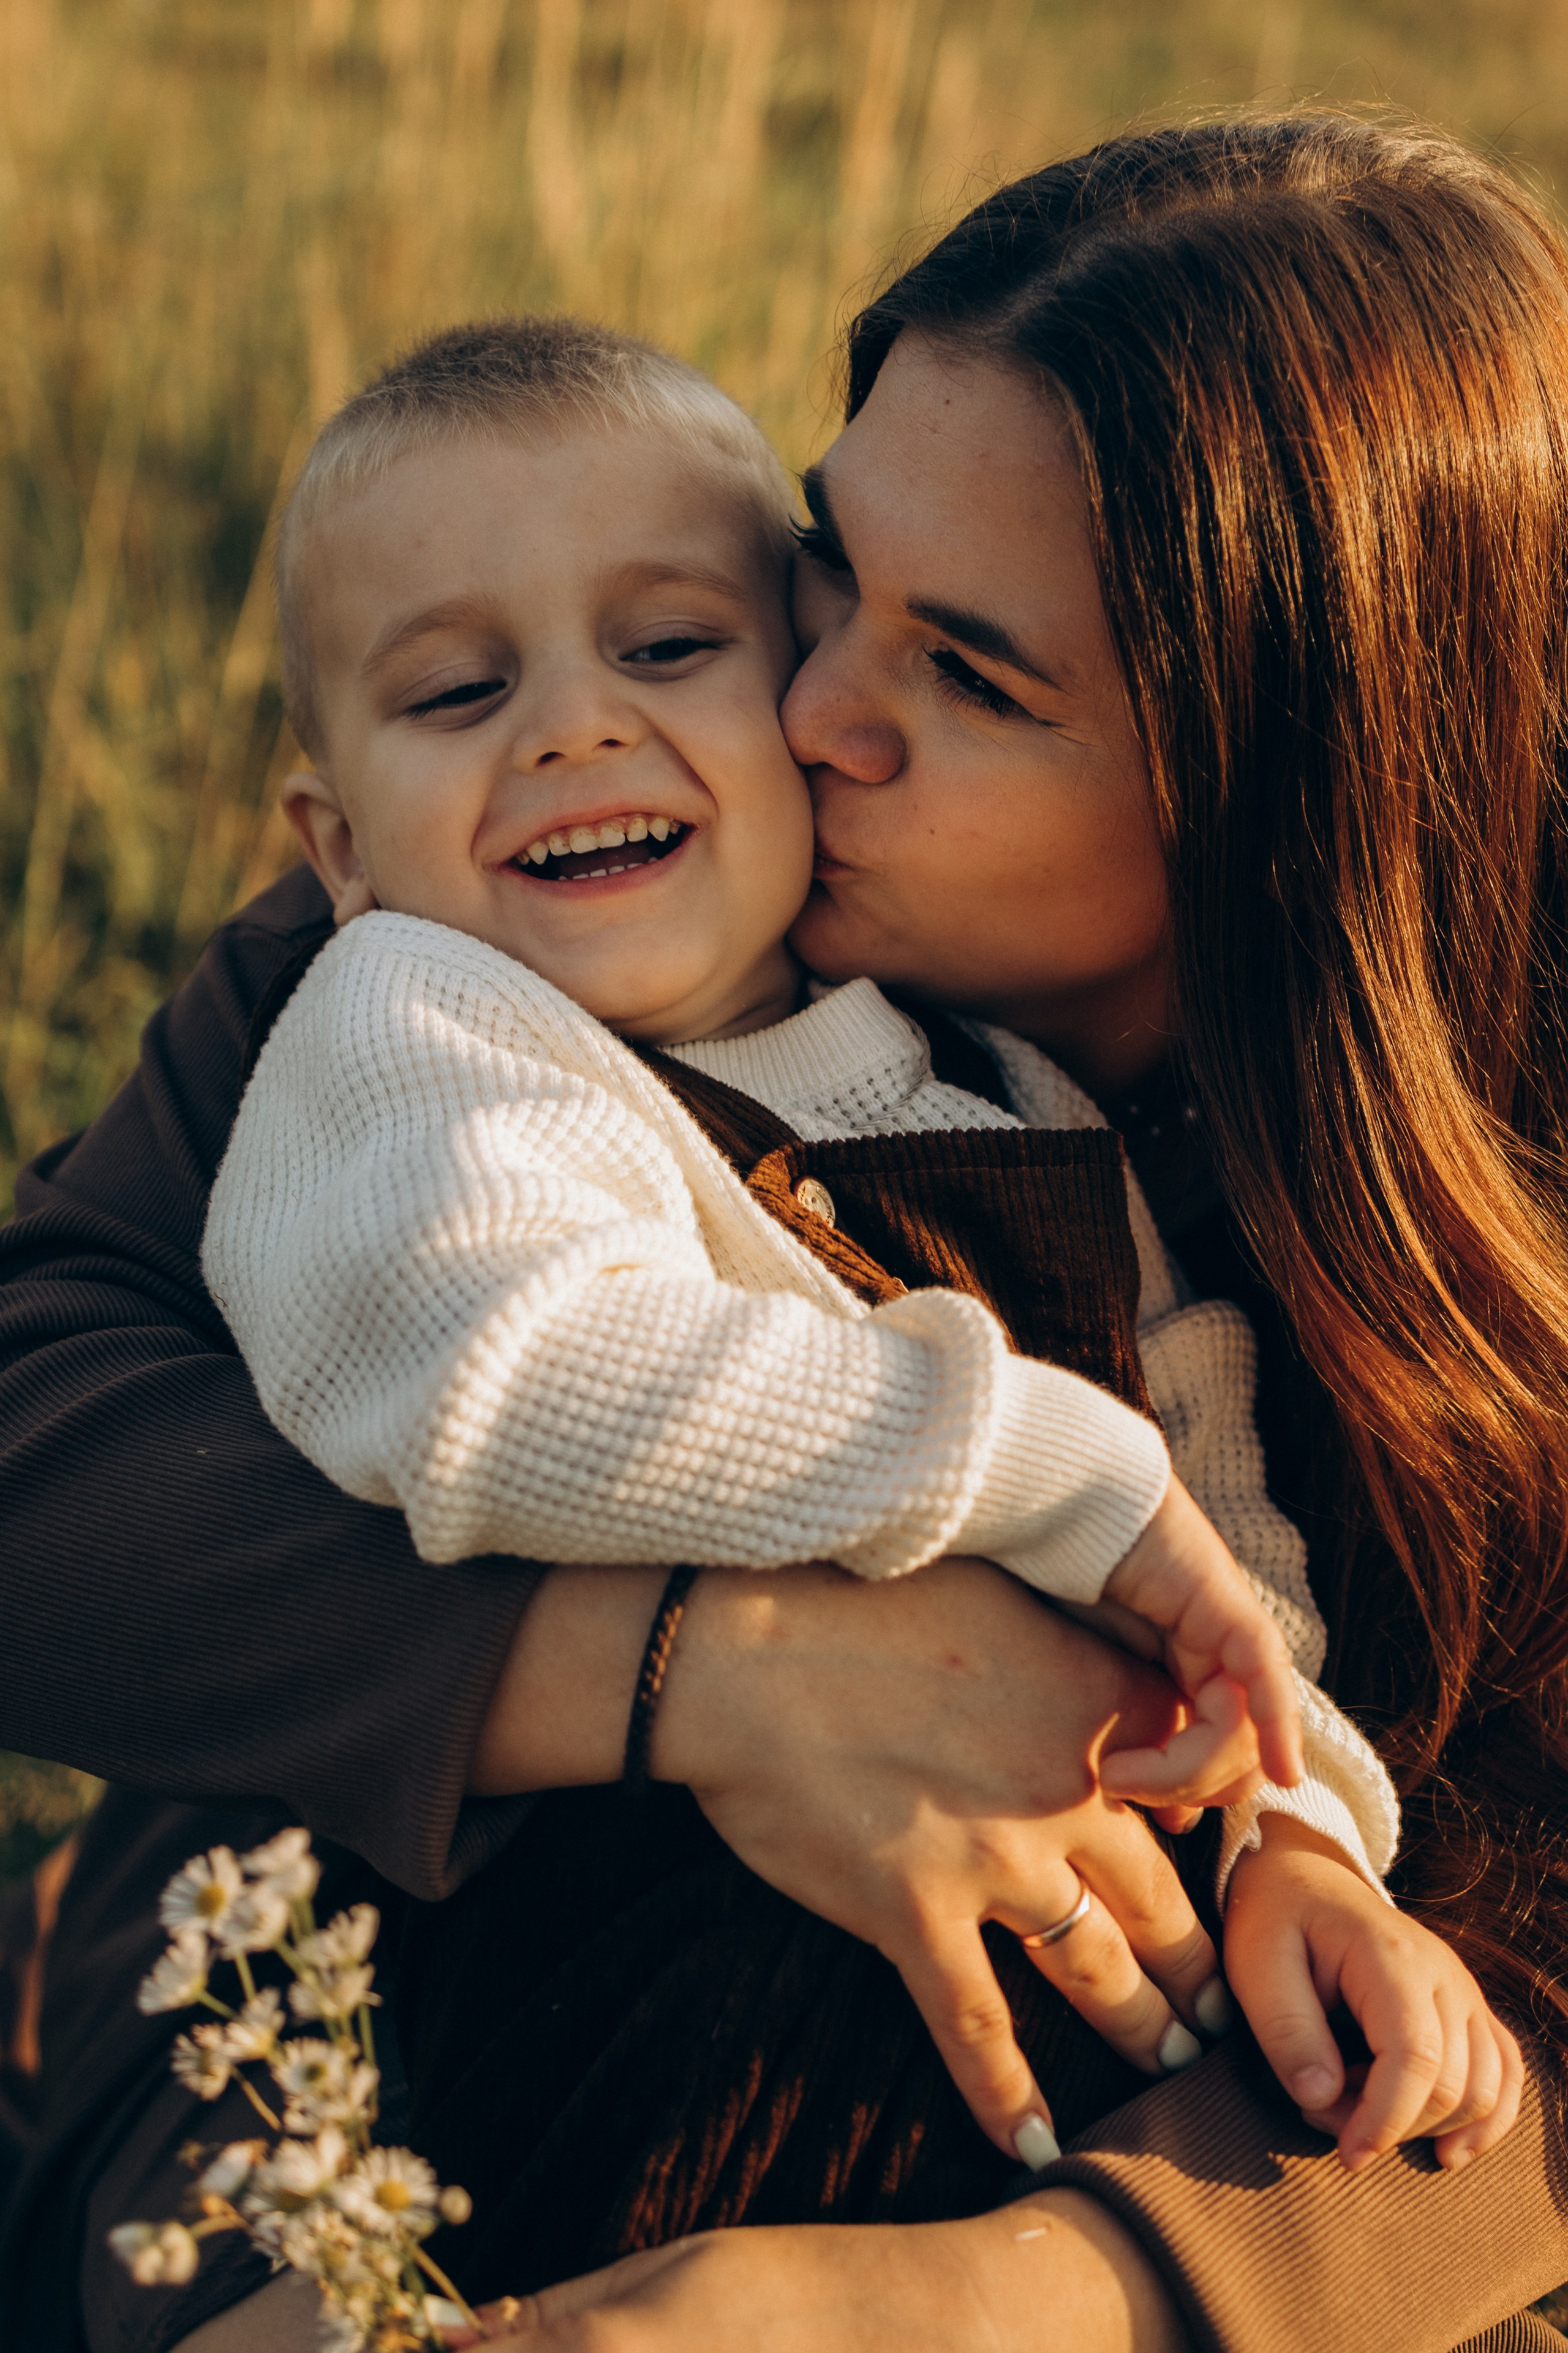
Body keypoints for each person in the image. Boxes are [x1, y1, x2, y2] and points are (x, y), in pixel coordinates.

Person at [0, 107, 1563, 2353]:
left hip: (1097, 2176)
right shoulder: (519, 907)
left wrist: (937, 2301)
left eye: (970, 674)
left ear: (1279, 802)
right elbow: (54, 1453)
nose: (806, 706)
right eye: (828, 571)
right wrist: (691, 1673)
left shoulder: (1486, 1132)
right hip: (410, 2069)